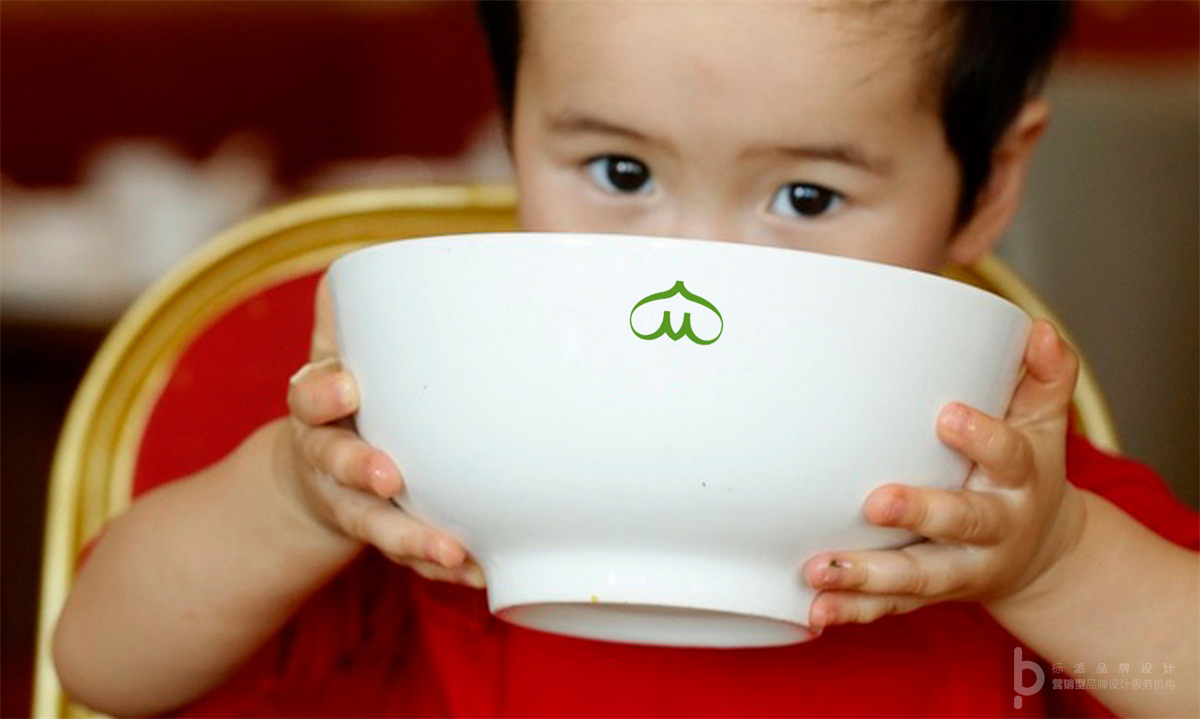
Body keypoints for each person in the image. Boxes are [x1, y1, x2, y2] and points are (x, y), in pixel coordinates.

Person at [53, 2, 1198, 717]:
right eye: (621, 172)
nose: (690, 270)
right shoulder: (420, 458)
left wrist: (1055, 563)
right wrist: (295, 497)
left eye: (807, 196)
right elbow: (100, 661)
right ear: (511, 129)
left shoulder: (989, 491)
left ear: (989, 182)